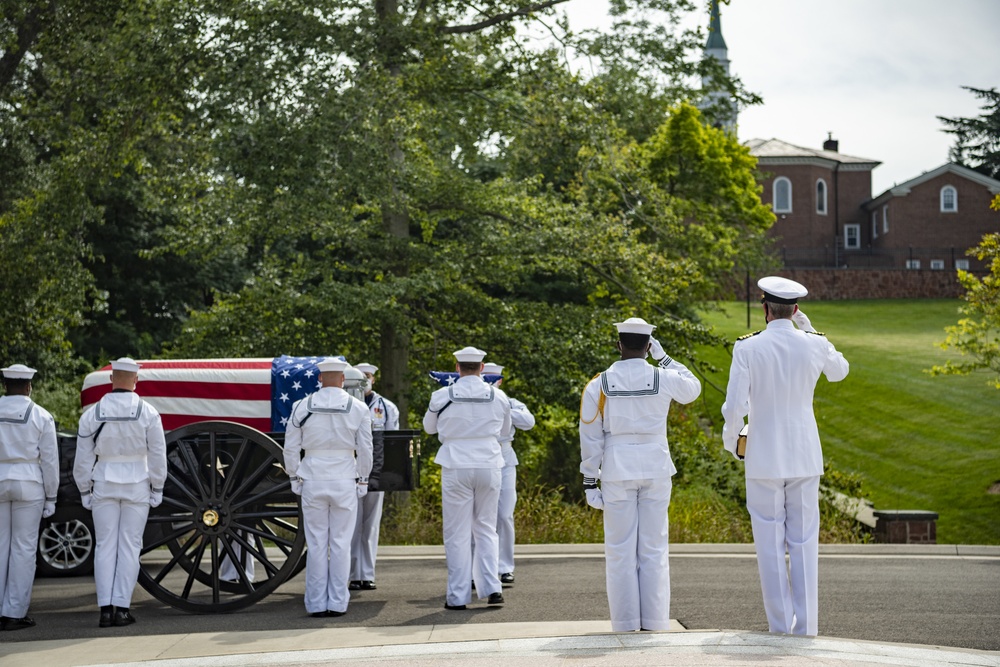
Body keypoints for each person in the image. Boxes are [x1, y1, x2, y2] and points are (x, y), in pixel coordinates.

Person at [721, 276, 849, 636]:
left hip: (763, 454)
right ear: (794, 309)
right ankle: (806, 629)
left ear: (765, 310)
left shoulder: (747, 348)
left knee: (769, 543)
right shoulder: (815, 344)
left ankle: (780, 627)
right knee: (805, 542)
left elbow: (735, 407)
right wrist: (812, 330)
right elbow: (840, 371)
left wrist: (733, 442)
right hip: (804, 454)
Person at [579, 318, 701, 632]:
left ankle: (625, 622)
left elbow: (591, 437)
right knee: (654, 548)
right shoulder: (664, 376)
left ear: (619, 344)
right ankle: (656, 622)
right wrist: (665, 358)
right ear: (648, 345)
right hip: (656, 466)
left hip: (617, 469)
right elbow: (693, 389)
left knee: (619, 551)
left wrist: (590, 479)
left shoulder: (599, 383)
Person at [75, 357, 167, 628]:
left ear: (111, 379)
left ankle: (105, 610)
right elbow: (158, 455)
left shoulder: (92, 413)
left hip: (103, 480)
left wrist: (83, 489)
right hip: (137, 481)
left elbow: (82, 458)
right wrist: (158, 485)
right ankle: (122, 609)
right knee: (130, 546)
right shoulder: (148, 412)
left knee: (104, 546)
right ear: (136, 380)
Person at [283, 358, 373, 618]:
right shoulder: (358, 407)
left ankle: (315, 603)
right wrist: (363, 478)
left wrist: (293, 476)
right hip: (345, 477)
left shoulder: (302, 405)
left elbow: (291, 447)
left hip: (313, 477)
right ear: (343, 379)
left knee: (317, 543)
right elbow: (366, 449)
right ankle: (337, 602)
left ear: (320, 379)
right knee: (341, 543)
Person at [423, 346, 511, 610]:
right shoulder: (499, 396)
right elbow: (505, 431)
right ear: (482, 367)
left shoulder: (442, 395)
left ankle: (458, 595)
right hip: (488, 463)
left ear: (457, 367)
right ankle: (493, 588)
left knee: (457, 532)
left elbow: (428, 427)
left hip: (456, 462)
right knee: (486, 528)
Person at [0, 364, 58, 632]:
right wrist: (51, 496)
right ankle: (14, 613)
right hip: (29, 483)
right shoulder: (41, 415)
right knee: (23, 549)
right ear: (28, 386)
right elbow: (49, 461)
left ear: (5, 386)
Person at [481, 362, 534, 585]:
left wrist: (503, 407)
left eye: (494, 379)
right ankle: (482, 566)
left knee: (504, 515)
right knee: (482, 518)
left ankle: (505, 567)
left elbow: (529, 422)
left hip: (505, 458)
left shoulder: (511, 402)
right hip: (482, 457)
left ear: (500, 381)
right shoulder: (476, 402)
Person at [349, 362, 399, 592]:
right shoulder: (347, 403)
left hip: (376, 473)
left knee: (370, 526)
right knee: (351, 526)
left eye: (368, 376)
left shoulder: (386, 407)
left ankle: (366, 574)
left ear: (374, 379)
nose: (365, 379)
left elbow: (391, 443)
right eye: (360, 376)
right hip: (349, 472)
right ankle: (351, 574)